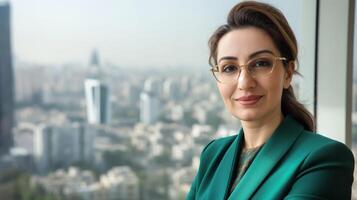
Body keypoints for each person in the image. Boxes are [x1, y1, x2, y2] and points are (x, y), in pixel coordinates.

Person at [186, 1, 354, 200]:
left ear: (288, 74)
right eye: (229, 68)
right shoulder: (213, 154)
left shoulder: (325, 158)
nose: (244, 82)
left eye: (261, 63)